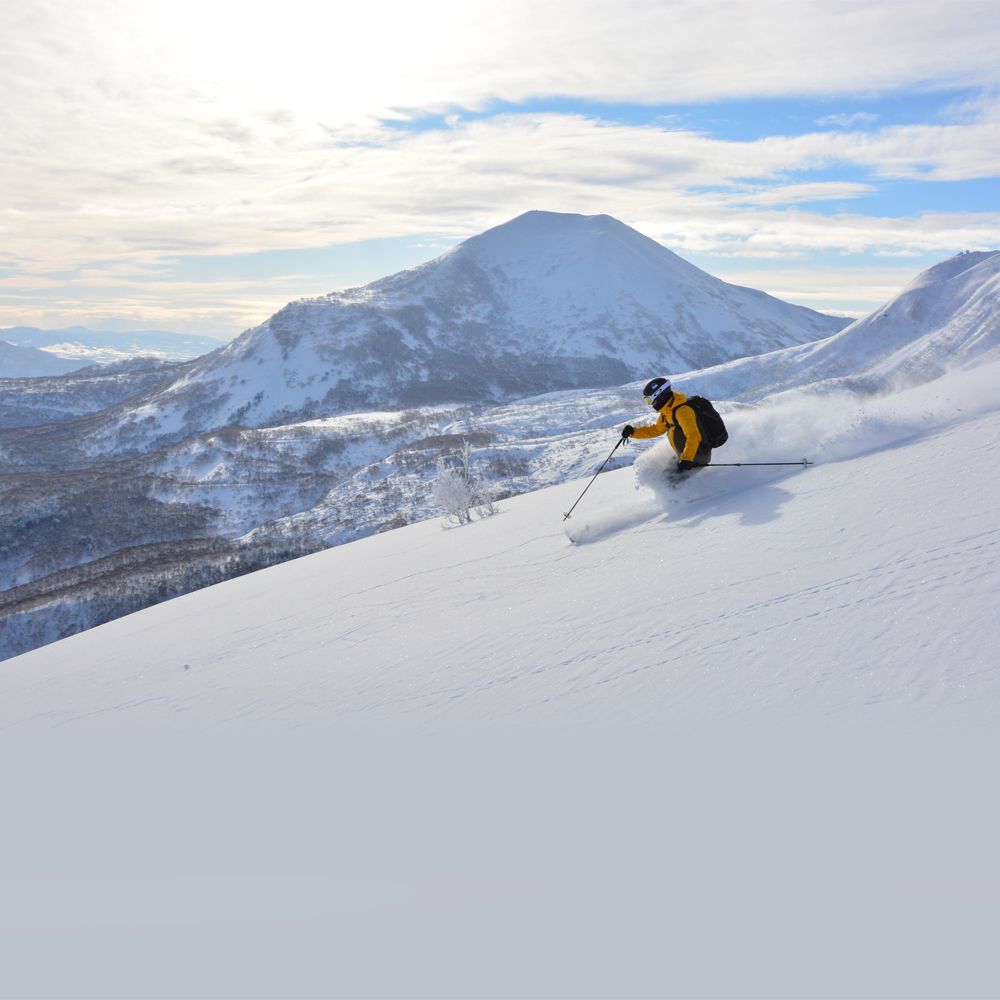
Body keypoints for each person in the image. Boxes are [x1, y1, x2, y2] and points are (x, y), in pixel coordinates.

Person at [620, 377, 712, 473]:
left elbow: (693, 436)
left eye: (649, 400)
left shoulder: (682, 411)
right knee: (664, 475)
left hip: (696, 456)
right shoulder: (667, 412)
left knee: (670, 483)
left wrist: (687, 459)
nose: (650, 404)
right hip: (685, 455)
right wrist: (633, 432)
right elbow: (656, 429)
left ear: (659, 395)